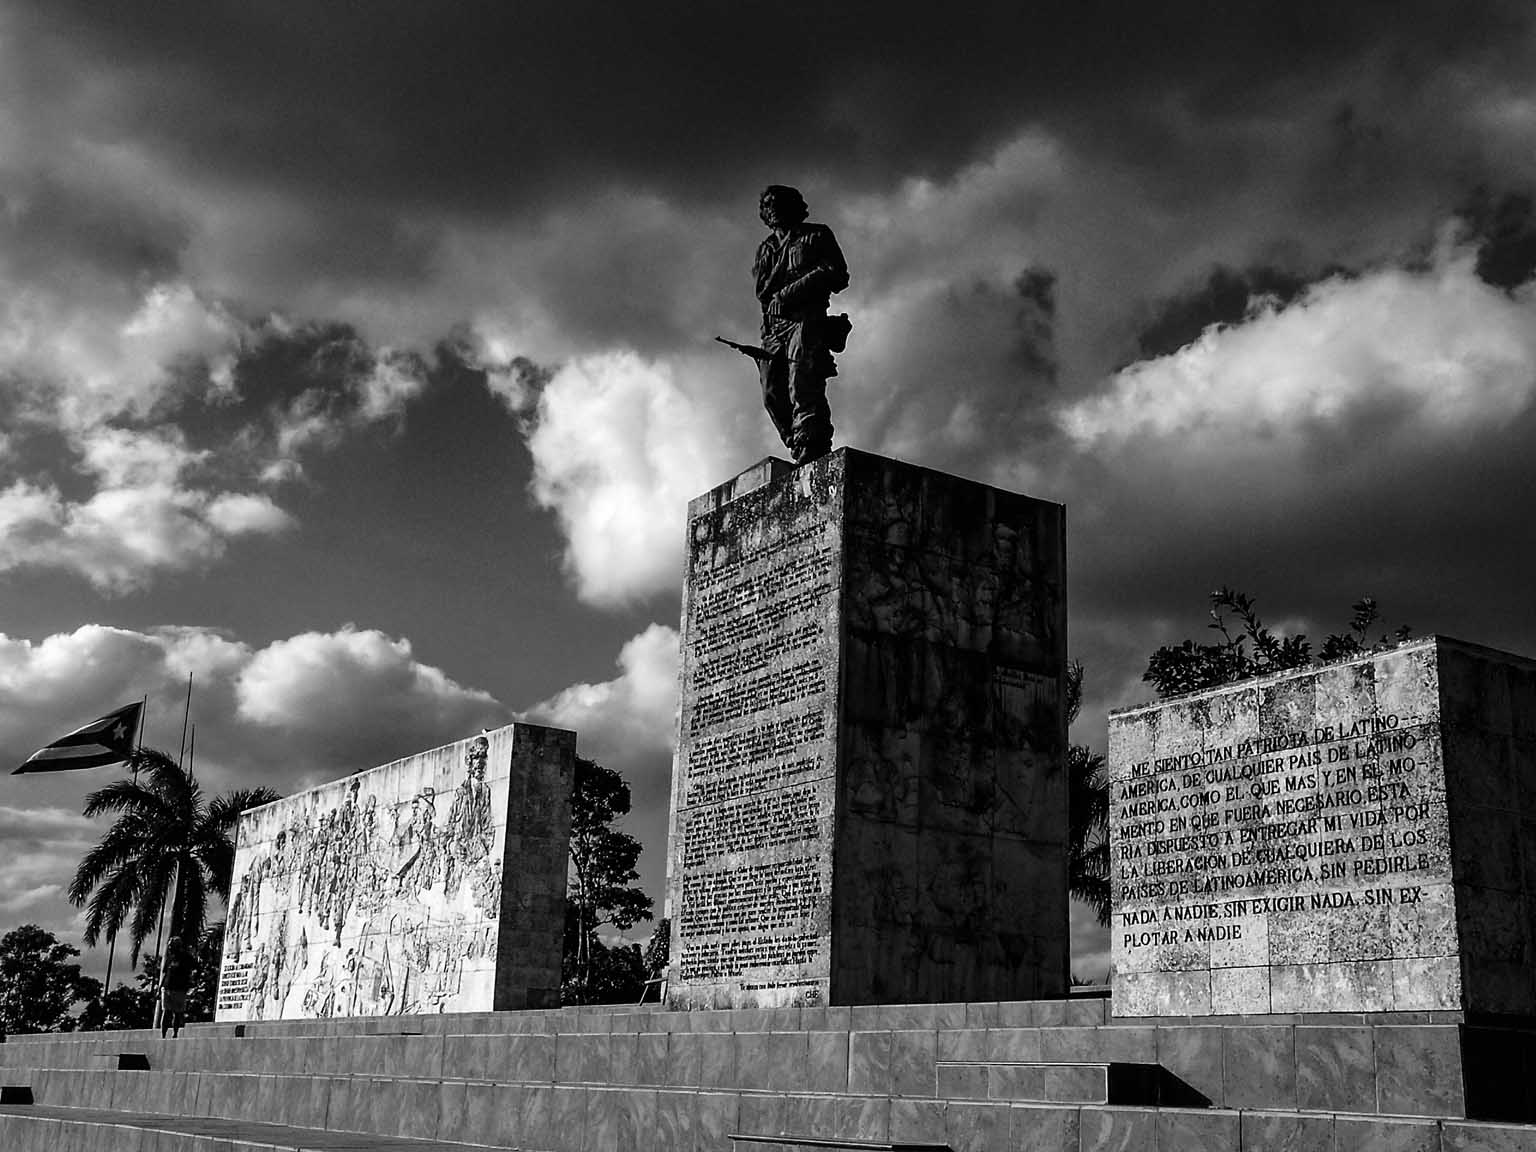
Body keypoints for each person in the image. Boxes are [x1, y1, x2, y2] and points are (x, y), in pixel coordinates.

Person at [752, 185, 850, 465]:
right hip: (773, 328)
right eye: (767, 205)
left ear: (793, 207)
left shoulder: (817, 235)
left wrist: (790, 293)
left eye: (777, 203)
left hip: (806, 319)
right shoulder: (766, 249)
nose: (771, 209)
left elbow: (837, 275)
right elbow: (762, 293)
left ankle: (812, 442)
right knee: (772, 393)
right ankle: (797, 442)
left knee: (803, 383)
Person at [159, 936, 191, 1038]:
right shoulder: (169, 957)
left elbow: (195, 968)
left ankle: (175, 1033)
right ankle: (163, 1034)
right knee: (166, 1011)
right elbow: (164, 973)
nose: (170, 947)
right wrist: (160, 987)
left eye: (171, 945)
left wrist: (190, 982)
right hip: (167, 987)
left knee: (177, 1013)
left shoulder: (185, 957)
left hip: (179, 989)